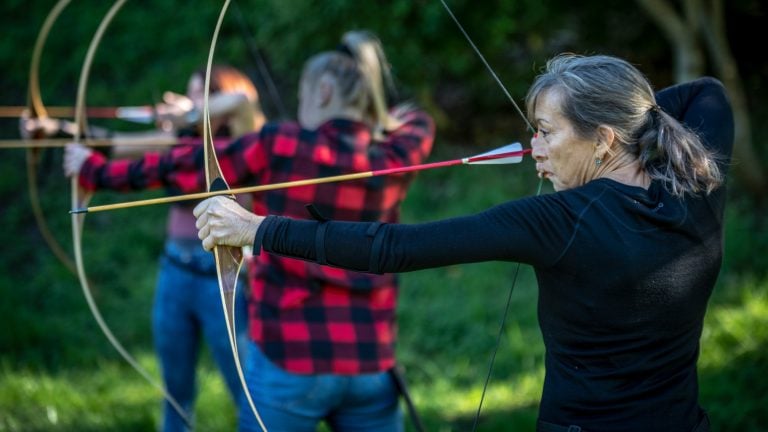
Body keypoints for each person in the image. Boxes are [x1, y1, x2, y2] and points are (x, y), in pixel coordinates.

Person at [192, 54, 734, 432]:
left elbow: (393, 248)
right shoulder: (698, 184)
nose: (534, 147)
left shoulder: (561, 219)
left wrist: (258, 229)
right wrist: (636, 122)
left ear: (604, 138)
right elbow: (707, 93)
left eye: (546, 130)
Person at [66, 30, 435, 432]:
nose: (299, 108)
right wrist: (368, 82)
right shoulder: (397, 154)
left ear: (325, 91)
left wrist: (94, 170)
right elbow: (417, 119)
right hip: (369, 362)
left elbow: (188, 164)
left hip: (288, 359)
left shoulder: (283, 144)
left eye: (304, 96)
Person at [63, 65, 265, 432]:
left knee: (247, 390)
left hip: (224, 276)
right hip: (175, 271)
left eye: (201, 94)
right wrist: (58, 131)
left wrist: (188, 110)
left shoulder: (247, 142)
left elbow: (243, 100)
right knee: (175, 391)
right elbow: (117, 144)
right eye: (188, 93)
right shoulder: (182, 143)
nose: (190, 101)